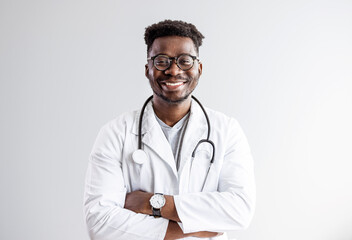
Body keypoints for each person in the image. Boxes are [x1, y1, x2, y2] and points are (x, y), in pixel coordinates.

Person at [84, 20, 256, 240]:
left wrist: (152, 203)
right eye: (161, 61)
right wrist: (195, 229)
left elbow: (240, 209)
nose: (173, 70)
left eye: (185, 60)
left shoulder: (227, 130)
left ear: (198, 69)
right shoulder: (115, 133)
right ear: (148, 69)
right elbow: (99, 223)